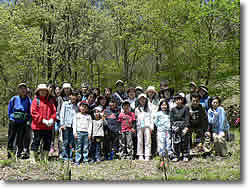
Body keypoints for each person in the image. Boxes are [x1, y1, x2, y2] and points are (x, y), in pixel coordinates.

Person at [30, 84, 56, 163]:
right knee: (36, 142)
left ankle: (45, 158)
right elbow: (33, 113)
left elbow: (54, 112)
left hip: (48, 127)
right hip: (38, 127)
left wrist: (52, 119)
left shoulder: (50, 101)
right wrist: (43, 120)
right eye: (41, 90)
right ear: (38, 92)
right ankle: (33, 158)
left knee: (47, 142)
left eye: (44, 90)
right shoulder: (35, 101)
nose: (43, 92)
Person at [7, 83, 32, 159]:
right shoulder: (14, 98)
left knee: (20, 139)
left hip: (23, 122)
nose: (23, 90)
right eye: (21, 88)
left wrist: (28, 120)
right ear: (18, 90)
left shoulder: (28, 100)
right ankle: (10, 154)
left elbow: (30, 111)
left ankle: (19, 154)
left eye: (24, 88)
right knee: (11, 138)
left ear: (26, 90)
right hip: (13, 121)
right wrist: (11, 118)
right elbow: (9, 110)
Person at [170, 93, 191, 162]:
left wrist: (186, 128)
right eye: (176, 100)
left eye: (180, 99)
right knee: (176, 142)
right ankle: (176, 155)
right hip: (175, 127)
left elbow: (187, 118)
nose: (178, 101)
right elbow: (171, 119)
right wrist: (173, 127)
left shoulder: (186, 108)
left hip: (183, 126)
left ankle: (185, 155)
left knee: (185, 141)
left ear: (182, 100)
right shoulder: (173, 109)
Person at [59, 91, 79, 161]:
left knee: (71, 142)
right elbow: (62, 114)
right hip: (66, 125)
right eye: (72, 95)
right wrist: (62, 124)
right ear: (70, 96)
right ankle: (65, 156)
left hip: (73, 127)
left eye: (75, 96)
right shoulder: (65, 104)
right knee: (65, 141)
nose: (74, 97)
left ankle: (70, 156)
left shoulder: (77, 106)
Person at [135, 94, 154, 160]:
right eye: (141, 99)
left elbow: (152, 118)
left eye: (144, 99)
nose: (142, 100)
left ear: (146, 100)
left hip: (147, 126)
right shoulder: (137, 109)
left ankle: (147, 155)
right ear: (139, 100)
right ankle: (140, 155)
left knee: (148, 141)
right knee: (140, 141)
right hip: (139, 127)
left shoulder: (149, 108)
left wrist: (152, 127)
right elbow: (136, 118)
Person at [73, 101, 92, 165]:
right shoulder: (77, 115)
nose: (83, 108)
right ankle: (77, 160)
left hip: (86, 133)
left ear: (87, 108)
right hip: (79, 132)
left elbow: (90, 125)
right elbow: (74, 124)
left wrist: (89, 133)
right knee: (78, 147)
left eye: (85, 107)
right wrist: (74, 132)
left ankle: (85, 159)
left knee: (85, 147)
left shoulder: (88, 116)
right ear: (79, 107)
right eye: (82, 106)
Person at [145, 86, 159, 157]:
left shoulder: (157, 101)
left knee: (155, 136)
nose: (151, 93)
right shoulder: (145, 100)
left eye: (152, 92)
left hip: (155, 120)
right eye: (149, 92)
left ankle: (155, 151)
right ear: (147, 93)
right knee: (148, 137)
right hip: (147, 121)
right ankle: (148, 152)